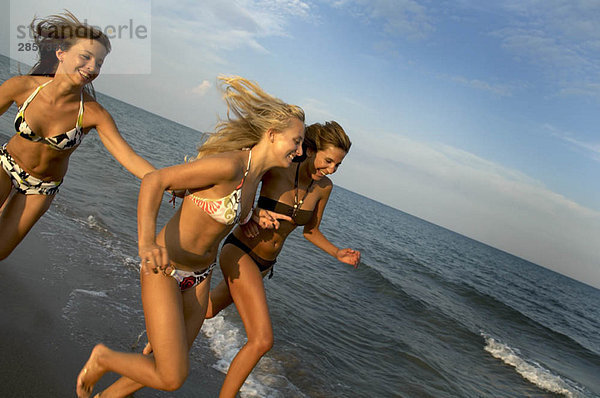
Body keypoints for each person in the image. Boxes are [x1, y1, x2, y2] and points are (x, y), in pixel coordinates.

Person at [75, 75, 305, 398]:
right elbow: (155, 181)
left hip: (199, 279)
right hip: (165, 267)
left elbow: (223, 211)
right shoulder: (231, 166)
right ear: (272, 134)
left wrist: (251, 217)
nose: (299, 150)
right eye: (295, 141)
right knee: (172, 376)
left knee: (165, 364)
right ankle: (103, 358)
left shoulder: (255, 178)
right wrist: (145, 243)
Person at [96, 121, 360, 398]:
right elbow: (243, 182)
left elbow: (311, 230)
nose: (330, 169)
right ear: (309, 149)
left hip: (264, 265)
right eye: (328, 160)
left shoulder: (323, 188)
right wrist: (254, 213)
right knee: (262, 339)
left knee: (204, 314)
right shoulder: (279, 168)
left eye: (337, 165)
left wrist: (336, 251)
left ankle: (122, 384)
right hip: (240, 253)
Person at [0, 11, 154, 259]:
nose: (92, 67)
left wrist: (172, 182)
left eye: (99, 63)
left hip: (42, 187)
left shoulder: (94, 113)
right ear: (61, 53)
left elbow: (129, 158)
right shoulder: (23, 87)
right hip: (6, 165)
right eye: (86, 56)